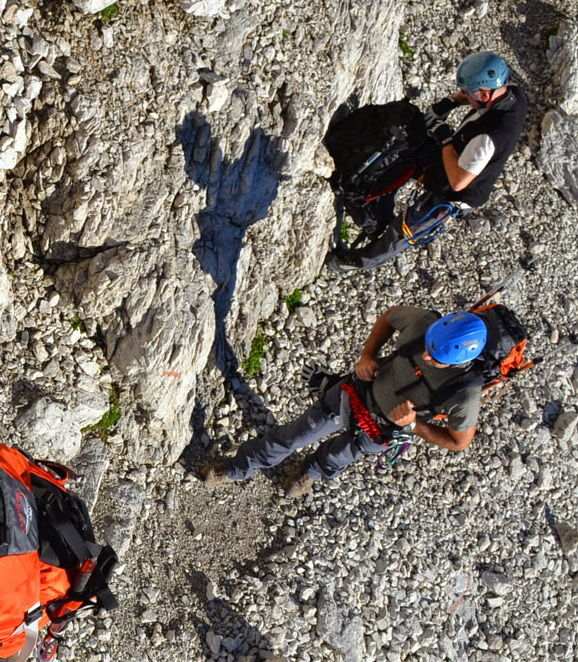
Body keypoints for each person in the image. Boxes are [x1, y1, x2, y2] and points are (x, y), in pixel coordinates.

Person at [203, 307, 489, 496]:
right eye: (428, 346)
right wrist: (367, 356)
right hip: (353, 394)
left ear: (460, 361)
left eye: (436, 358)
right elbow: (390, 318)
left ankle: (310, 472)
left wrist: (414, 425)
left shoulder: (464, 395)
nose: (426, 356)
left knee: (337, 456)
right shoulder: (425, 324)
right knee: (294, 435)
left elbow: (459, 442)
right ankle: (239, 467)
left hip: (380, 430)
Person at [329, 52, 529, 273]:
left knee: (404, 230)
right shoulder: (511, 95)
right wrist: (450, 103)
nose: (465, 96)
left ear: (484, 94)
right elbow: (471, 96)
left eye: (468, 94)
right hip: (455, 159)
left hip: (455, 191)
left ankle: (355, 262)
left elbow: (457, 182)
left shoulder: (488, 139)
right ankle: (374, 208)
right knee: (407, 151)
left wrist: (445, 140)